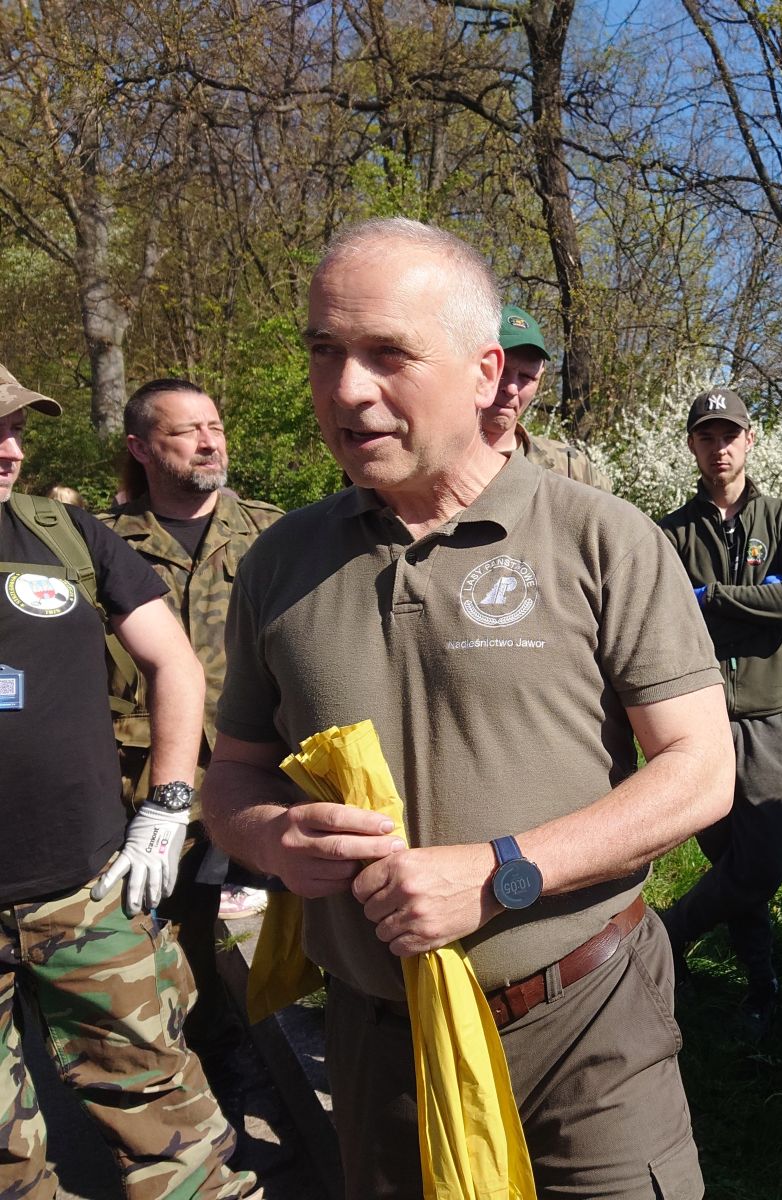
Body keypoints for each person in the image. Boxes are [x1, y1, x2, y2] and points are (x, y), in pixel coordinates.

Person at [200, 217, 732, 1200]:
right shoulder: (278, 563)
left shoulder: (601, 539)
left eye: (387, 354)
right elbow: (230, 774)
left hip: (586, 1030)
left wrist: (501, 874)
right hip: (381, 1045)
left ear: (488, 372)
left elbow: (699, 772)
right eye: (325, 351)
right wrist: (269, 835)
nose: (346, 389)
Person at [0, 365, 256, 1199]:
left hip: (109, 865)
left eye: (16, 430)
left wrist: (168, 805)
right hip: (121, 800)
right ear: (142, 448)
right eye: (186, 430)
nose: (10, 451)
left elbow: (177, 662)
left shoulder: (70, 538)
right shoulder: (110, 527)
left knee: (161, 1083)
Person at [100, 379, 283, 1072]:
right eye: (185, 431)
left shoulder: (275, 534)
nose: (209, 443)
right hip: (142, 782)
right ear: (141, 448)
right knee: (160, 944)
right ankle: (193, 1073)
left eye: (215, 427)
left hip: (259, 773)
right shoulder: (97, 545)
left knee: (285, 928)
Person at [657, 388, 782, 1039]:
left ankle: (669, 931)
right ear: (692, 446)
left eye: (730, 435)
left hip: (765, 714)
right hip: (696, 718)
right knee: (731, 859)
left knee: (764, 862)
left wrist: (715, 598)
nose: (719, 447)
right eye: (707, 436)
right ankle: (760, 983)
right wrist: (760, 597)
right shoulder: (670, 533)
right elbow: (665, 615)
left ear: (750, 440)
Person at [482, 303, 611, 490]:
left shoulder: (571, 469)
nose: (511, 388)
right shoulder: (439, 461)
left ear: (540, 378)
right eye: (500, 371)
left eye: (526, 377)